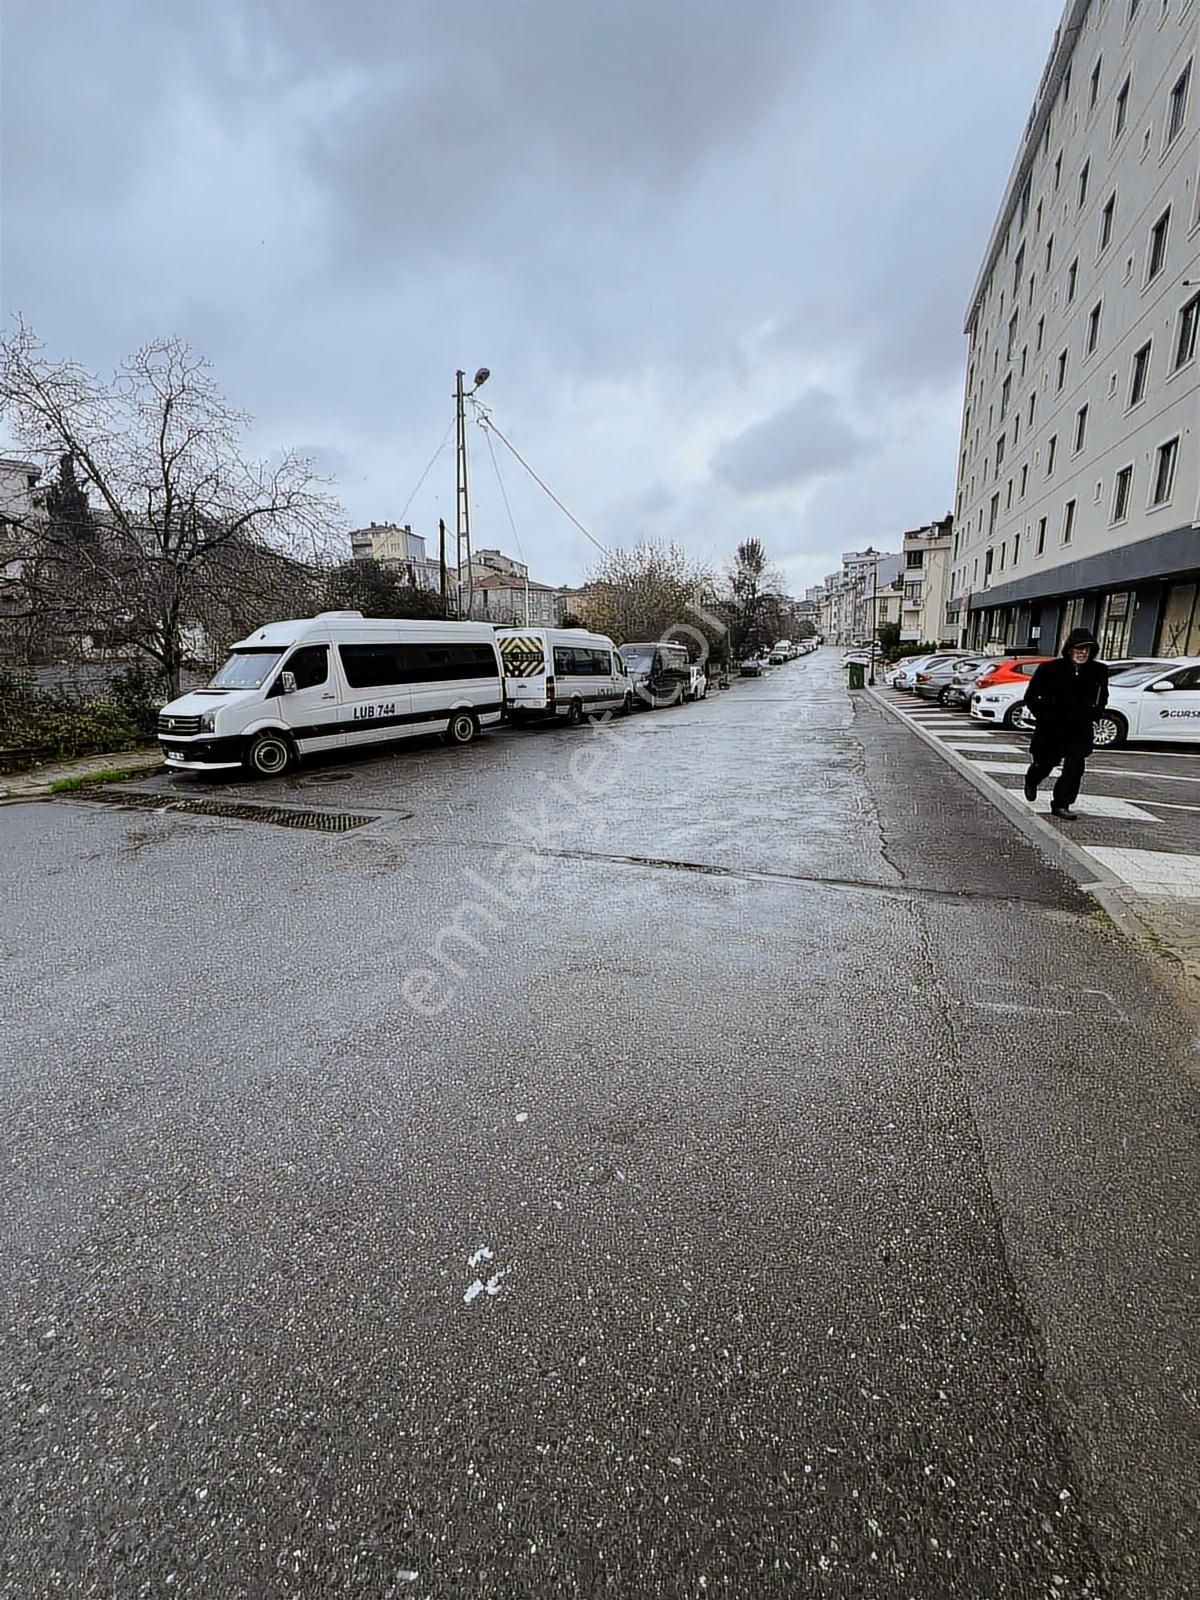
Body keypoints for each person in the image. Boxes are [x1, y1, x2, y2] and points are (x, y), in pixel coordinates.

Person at [1022, 627, 1108, 819]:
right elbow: (1031, 696)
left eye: (1087, 649)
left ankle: (1061, 804)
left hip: (1080, 728)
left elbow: (1102, 697)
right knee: (1045, 764)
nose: (1083, 653)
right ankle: (1032, 779)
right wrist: (1044, 715)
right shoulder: (1049, 669)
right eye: (1079, 648)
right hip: (1051, 728)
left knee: (1075, 768)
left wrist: (1095, 713)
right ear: (1069, 649)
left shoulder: (1099, 671)